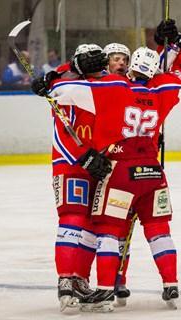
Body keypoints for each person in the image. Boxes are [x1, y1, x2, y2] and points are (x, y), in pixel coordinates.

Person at [48, 19, 181, 312]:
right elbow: (179, 75)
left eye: (124, 59)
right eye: (113, 59)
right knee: (158, 229)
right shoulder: (161, 89)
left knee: (107, 229)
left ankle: (103, 287)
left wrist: (59, 73)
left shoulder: (111, 86)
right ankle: (170, 283)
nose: (118, 63)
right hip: (150, 171)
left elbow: (58, 90)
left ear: (130, 64)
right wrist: (179, 46)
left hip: (117, 169)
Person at [31, 43, 110, 311]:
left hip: (99, 164)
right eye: (88, 64)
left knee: (92, 224)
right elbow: (61, 134)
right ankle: (65, 279)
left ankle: (80, 280)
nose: (96, 70)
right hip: (71, 164)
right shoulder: (67, 90)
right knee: (73, 216)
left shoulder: (106, 87)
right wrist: (83, 157)